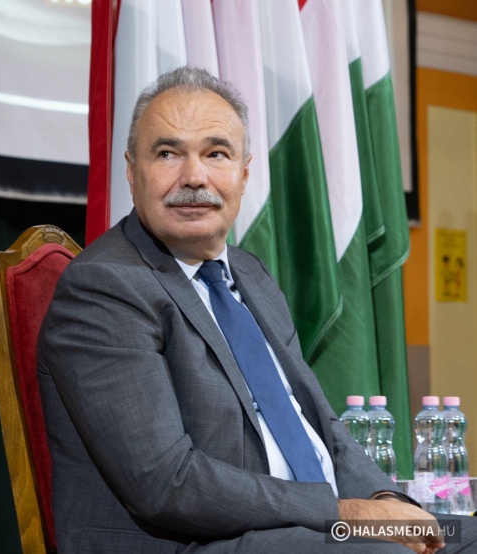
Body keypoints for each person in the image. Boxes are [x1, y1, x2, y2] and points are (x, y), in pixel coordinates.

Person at [38, 67, 474, 554]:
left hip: (308, 529)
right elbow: (166, 481)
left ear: (243, 174)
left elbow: (321, 426)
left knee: (463, 536)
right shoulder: (106, 287)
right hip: (197, 542)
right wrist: (347, 514)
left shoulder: (250, 274)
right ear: (131, 170)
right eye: (167, 154)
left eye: (216, 154)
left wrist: (385, 500)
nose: (194, 177)